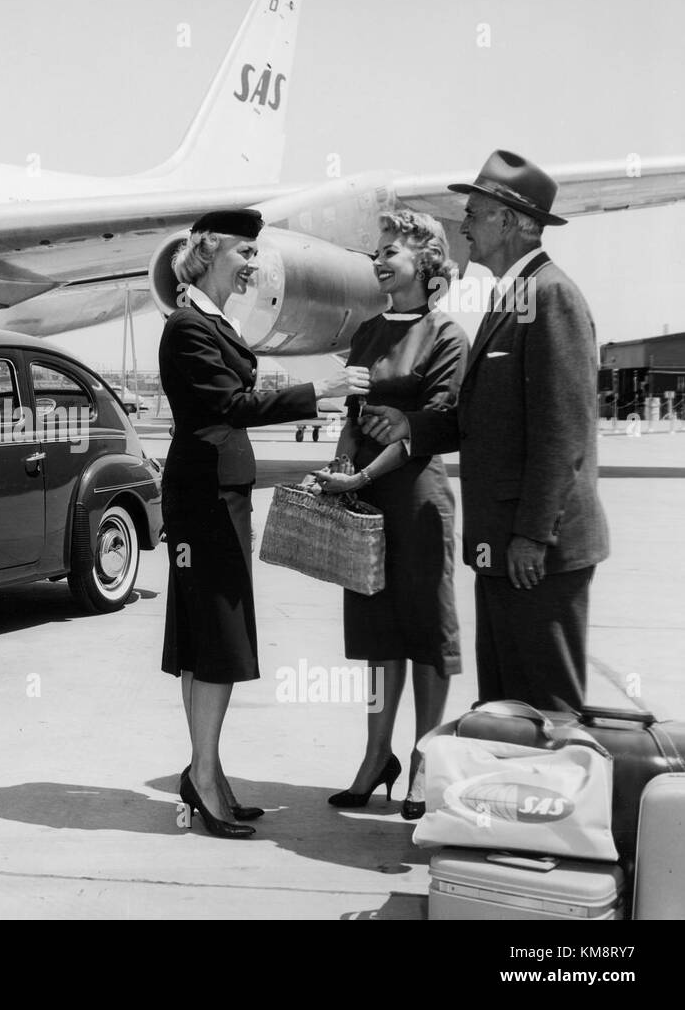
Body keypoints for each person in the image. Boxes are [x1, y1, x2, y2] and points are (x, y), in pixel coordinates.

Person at [362, 150, 609, 713]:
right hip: (503, 548)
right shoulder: (511, 297)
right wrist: (412, 425)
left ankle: (553, 802)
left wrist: (533, 536)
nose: (464, 225)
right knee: (506, 711)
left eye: (473, 213)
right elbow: (481, 419)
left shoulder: (553, 297)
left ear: (511, 221)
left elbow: (562, 433)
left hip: (538, 554)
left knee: (548, 714)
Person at [159, 210, 369, 838]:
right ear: (210, 252)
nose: (254, 263)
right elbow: (229, 406)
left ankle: (207, 773)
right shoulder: (189, 326)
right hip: (205, 502)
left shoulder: (213, 321)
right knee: (216, 641)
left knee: (205, 640)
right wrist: (318, 390)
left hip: (217, 496)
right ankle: (203, 780)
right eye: (245, 252)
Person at [312, 211, 468, 820]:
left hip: (418, 501)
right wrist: (336, 465)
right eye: (377, 251)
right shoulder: (368, 331)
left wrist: (362, 474)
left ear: (427, 267)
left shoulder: (447, 334)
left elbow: (428, 428)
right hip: (369, 499)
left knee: (427, 636)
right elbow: (355, 417)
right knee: (380, 638)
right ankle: (377, 757)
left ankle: (424, 761)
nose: (378, 260)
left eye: (391, 252)